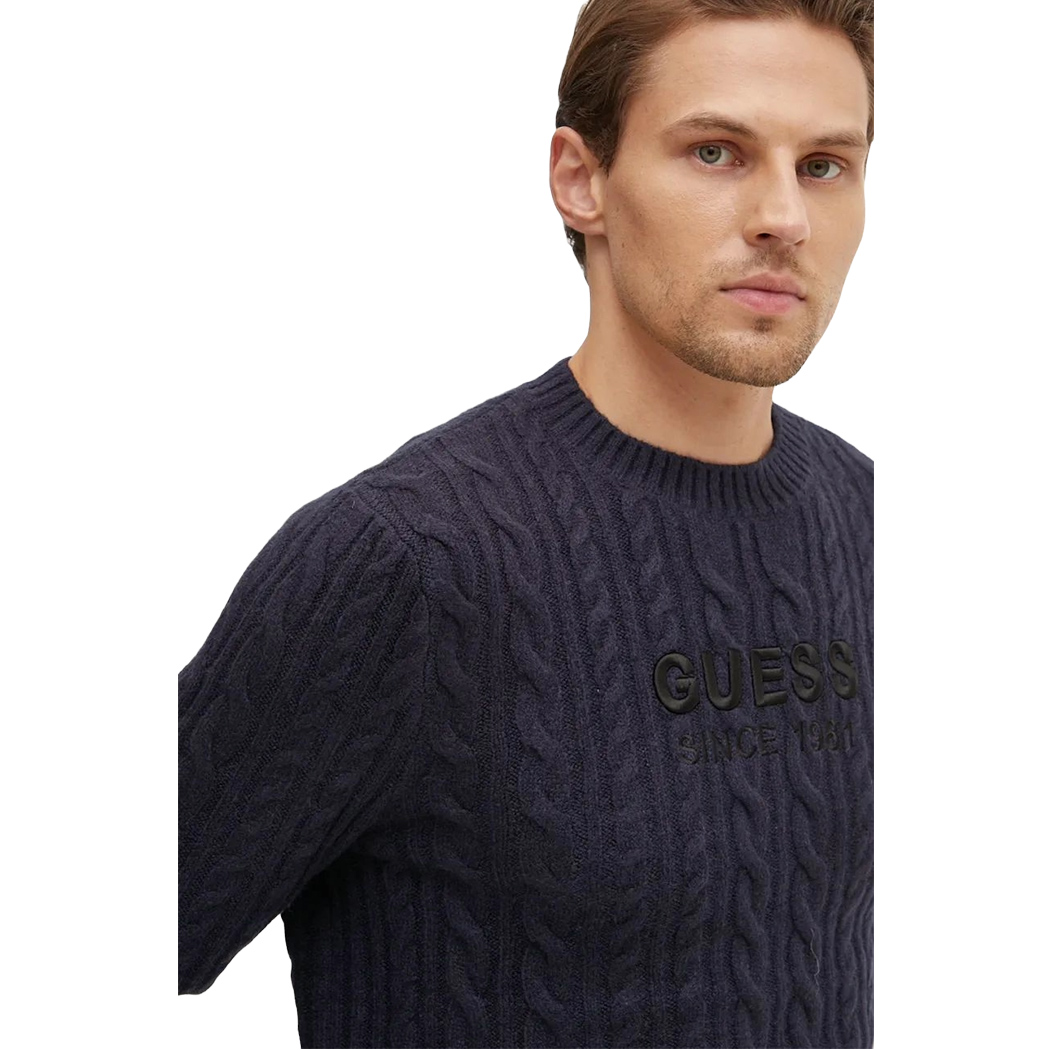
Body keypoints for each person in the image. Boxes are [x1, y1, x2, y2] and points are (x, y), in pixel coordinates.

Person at [178, 1, 875, 1047]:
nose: (785, 216)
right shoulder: (404, 562)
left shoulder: (873, 522)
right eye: (716, 152)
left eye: (824, 165)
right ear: (581, 180)